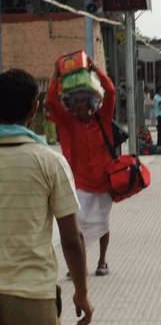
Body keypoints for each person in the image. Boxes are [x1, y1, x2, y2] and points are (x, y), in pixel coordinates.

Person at [0, 69, 93, 325]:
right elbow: (71, 239)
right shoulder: (49, 162)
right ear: (33, 109)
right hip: (33, 298)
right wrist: (81, 292)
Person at [46, 57, 116, 276]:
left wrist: (96, 70)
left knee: (103, 223)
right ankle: (79, 265)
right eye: (74, 102)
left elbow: (111, 92)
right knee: (79, 225)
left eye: (82, 101)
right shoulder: (68, 123)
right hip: (79, 182)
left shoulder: (102, 119)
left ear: (91, 102)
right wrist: (56, 77)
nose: (78, 106)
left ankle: (102, 261)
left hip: (104, 181)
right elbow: (51, 103)